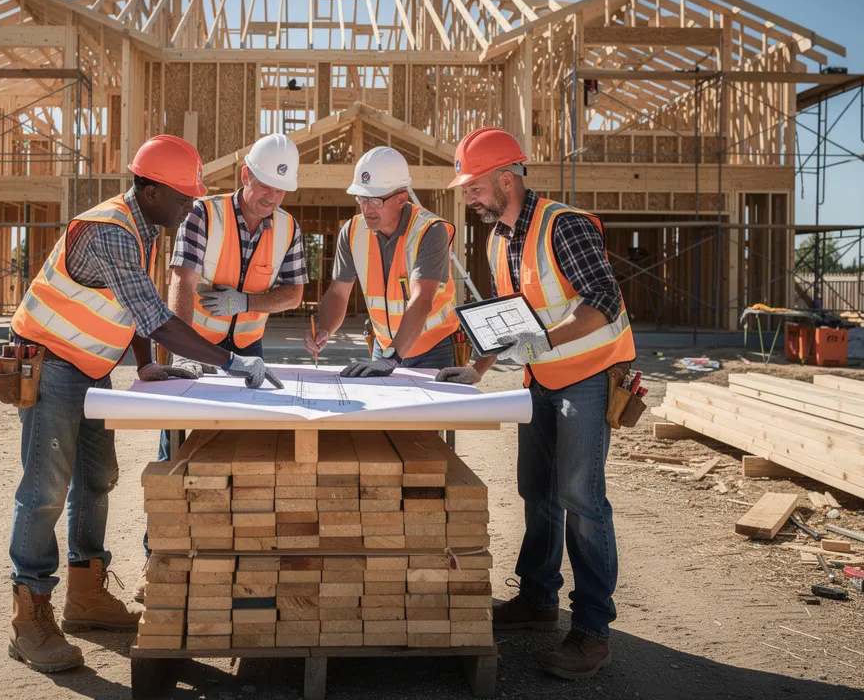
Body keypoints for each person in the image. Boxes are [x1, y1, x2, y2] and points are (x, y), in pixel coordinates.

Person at [5, 134, 281, 673]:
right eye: (183, 198)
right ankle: (28, 614)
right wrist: (229, 361)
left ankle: (85, 595)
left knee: (97, 477)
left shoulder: (145, 227)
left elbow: (135, 305)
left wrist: (143, 362)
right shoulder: (109, 231)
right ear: (151, 190)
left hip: (89, 366)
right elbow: (157, 316)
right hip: (49, 363)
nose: (190, 207)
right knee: (44, 490)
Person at [439, 127, 635, 680]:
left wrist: (547, 342)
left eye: (474, 187)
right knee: (537, 490)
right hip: (541, 380)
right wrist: (476, 367)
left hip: (589, 376)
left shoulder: (563, 225)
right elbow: (510, 316)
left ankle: (593, 630)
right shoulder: (498, 237)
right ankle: (538, 599)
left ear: (506, 179)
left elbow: (603, 299)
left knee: (581, 497)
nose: (469, 197)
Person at [135, 134, 308, 600]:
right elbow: (182, 282)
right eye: (265, 188)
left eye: (281, 191)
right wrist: (181, 356)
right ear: (244, 176)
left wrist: (246, 300)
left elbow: (293, 293)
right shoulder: (202, 213)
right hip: (200, 352)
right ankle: (158, 564)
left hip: (251, 355)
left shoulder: (288, 228)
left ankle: (236, 566)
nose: (272, 199)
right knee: (175, 458)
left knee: (248, 458)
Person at [302, 146, 460, 377]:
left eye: (375, 201)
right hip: (383, 346)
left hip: (432, 348)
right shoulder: (352, 231)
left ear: (402, 198)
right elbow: (338, 293)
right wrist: (325, 328)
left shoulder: (430, 231)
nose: (367, 209)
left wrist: (391, 358)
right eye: (361, 199)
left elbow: (422, 301)